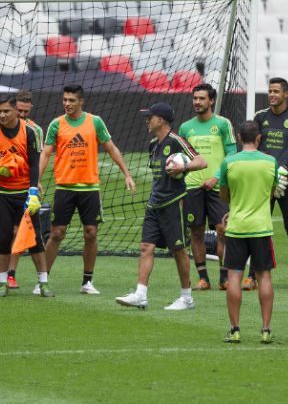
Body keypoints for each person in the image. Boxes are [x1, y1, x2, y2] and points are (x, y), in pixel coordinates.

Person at [39, 84, 136, 295]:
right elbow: (46, 154)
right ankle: (42, 281)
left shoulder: (95, 122)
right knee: (56, 233)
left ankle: (87, 282)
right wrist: (36, 180)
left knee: (91, 233)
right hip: (64, 187)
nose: (67, 104)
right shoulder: (56, 124)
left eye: (72, 100)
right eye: (65, 100)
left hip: (90, 189)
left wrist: (127, 174)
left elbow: (111, 148)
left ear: (81, 101)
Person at [116, 102, 207, 310]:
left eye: (151, 117)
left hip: (174, 203)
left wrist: (183, 166)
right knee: (146, 247)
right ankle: (141, 294)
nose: (147, 120)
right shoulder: (152, 144)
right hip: (154, 203)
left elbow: (201, 162)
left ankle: (186, 298)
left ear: (162, 120)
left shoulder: (176, 141)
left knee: (178, 250)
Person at [0, 95, 49, 297]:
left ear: (16, 110)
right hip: (0, 193)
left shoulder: (30, 132)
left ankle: (43, 282)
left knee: (35, 238)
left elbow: (35, 165)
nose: (2, 115)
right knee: (2, 238)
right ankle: (2, 283)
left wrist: (33, 192)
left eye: (6, 111)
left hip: (24, 192)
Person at [220, 121, 279, 344]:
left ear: (238, 137)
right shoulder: (271, 162)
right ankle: (265, 329)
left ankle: (235, 329)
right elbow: (272, 191)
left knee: (234, 275)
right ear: (259, 138)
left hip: (237, 227)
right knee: (264, 276)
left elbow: (224, 196)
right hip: (261, 227)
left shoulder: (229, 162)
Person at [248, 77, 288, 291]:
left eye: (276, 91)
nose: (272, 94)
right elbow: (253, 145)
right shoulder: (260, 116)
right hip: (264, 183)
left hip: (287, 182)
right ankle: (251, 276)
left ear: (285, 94)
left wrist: (283, 169)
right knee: (257, 228)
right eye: (270, 91)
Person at [178, 83, 237, 292]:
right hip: (192, 187)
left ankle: (224, 277)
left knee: (223, 230)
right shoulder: (185, 127)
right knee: (196, 231)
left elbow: (232, 154)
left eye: (201, 98)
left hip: (217, 186)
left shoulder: (222, 124)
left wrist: (216, 177)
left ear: (211, 101)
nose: (197, 102)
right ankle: (203, 278)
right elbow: (182, 158)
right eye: (195, 98)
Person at [6, 90, 45, 290]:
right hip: (3, 188)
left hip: (25, 188)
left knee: (27, 232)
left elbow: (35, 160)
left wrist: (35, 182)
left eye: (26, 112)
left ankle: (15, 275)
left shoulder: (35, 130)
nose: (22, 116)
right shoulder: (2, 128)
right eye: (19, 111)